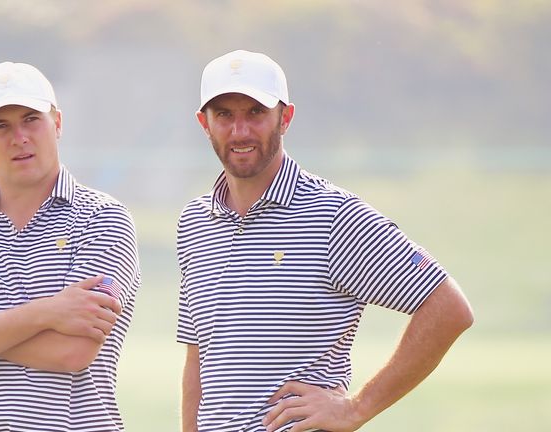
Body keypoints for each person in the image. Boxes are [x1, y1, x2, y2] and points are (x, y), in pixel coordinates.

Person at [176, 50, 473, 432]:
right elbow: (200, 357)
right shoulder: (196, 222)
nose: (240, 131)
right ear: (204, 123)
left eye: (255, 113)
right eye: (224, 115)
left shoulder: (334, 215)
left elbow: (448, 307)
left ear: (285, 118)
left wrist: (356, 407)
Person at [0, 61, 141, 432]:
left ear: (58, 123)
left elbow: (72, 351)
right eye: (0, 126)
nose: (19, 137)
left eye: (31, 119)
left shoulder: (103, 219)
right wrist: (47, 313)